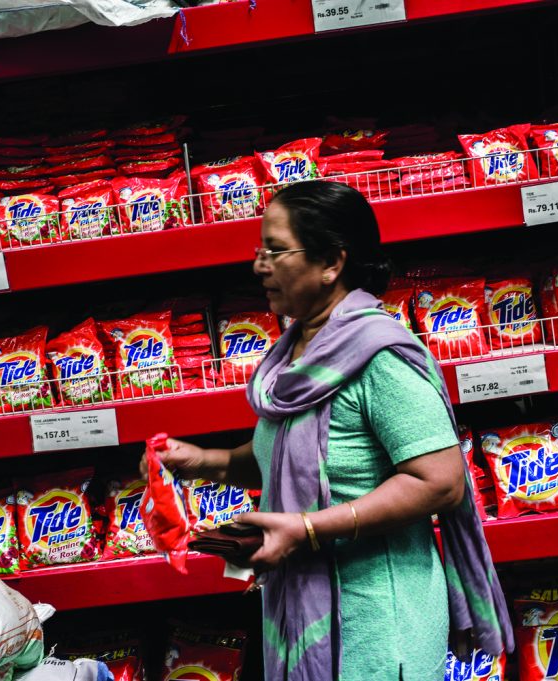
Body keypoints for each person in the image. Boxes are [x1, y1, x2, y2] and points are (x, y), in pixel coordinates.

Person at [144, 181, 510, 680]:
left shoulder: (379, 356)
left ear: (332, 263)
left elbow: (440, 481)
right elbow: (288, 452)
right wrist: (207, 461)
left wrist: (306, 529)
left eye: (275, 250)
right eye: (260, 250)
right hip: (310, 615)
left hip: (376, 628)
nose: (259, 266)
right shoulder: (299, 353)